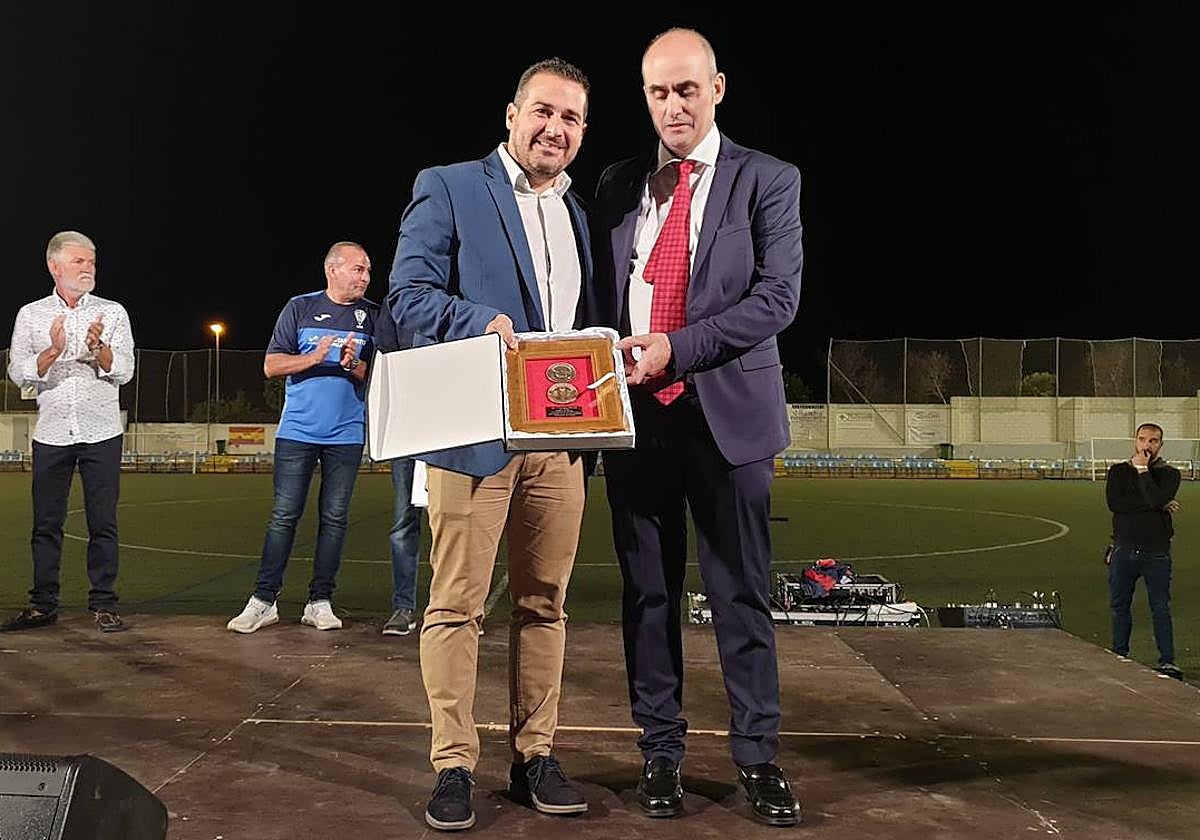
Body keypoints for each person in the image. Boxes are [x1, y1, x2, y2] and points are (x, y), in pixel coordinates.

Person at [591, 28, 803, 826]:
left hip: (728, 420)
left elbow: (776, 299)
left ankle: (757, 757)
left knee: (740, 594)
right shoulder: (615, 184)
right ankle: (661, 755)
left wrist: (677, 347)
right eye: (657, 92)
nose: (672, 106)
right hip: (635, 421)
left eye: (686, 89)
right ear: (644, 98)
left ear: (718, 89)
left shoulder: (768, 180)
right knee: (648, 596)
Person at [389, 57, 593, 831]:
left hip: (559, 441)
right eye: (543, 111)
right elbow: (407, 298)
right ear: (511, 115)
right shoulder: (449, 185)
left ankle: (535, 753)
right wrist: (480, 324)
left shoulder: (577, 212)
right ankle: (453, 765)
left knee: (546, 606)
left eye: (572, 118)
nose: (556, 129)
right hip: (473, 435)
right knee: (456, 607)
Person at [226, 242, 377, 634]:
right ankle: (263, 600)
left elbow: (380, 375)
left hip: (346, 434)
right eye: (358, 269)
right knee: (283, 516)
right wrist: (313, 357)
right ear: (333, 270)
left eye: (367, 271)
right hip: (297, 432)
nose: (365, 277)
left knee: (335, 518)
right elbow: (271, 364)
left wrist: (352, 363)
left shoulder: (372, 316)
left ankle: (320, 601)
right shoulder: (299, 307)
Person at [3, 231, 136, 634]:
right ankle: (43, 604)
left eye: (92, 262)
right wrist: (51, 352)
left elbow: (125, 370)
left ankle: (104, 605)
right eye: (79, 261)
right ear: (54, 265)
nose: (88, 268)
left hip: (101, 432)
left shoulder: (113, 312)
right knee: (46, 522)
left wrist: (99, 349)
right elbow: (17, 371)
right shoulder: (31, 314)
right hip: (52, 432)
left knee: (103, 521)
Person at [1105, 422, 1183, 680]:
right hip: (1123, 549)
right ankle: (1119, 654)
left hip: (1156, 552)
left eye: (1153, 441)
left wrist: (1142, 472)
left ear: (1161, 444)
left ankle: (1168, 661)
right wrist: (1156, 503)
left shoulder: (1170, 474)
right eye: (1143, 439)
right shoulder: (1117, 472)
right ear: (1134, 441)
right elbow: (1116, 504)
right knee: (1119, 606)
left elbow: (1156, 499)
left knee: (1160, 607)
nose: (1147, 445)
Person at [373, 304, 425, 637]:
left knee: (458, 524)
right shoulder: (397, 304)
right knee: (404, 521)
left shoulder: (466, 290)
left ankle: (460, 610)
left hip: (457, 425)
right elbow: (386, 362)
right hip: (409, 428)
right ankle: (404, 607)